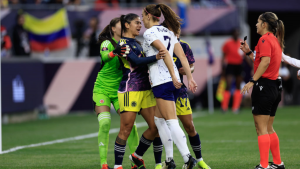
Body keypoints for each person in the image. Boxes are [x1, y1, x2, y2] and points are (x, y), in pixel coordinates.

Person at [133, 4, 197, 169]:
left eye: (142, 15)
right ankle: (169, 160)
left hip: (163, 81)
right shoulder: (168, 31)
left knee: (171, 121)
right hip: (172, 81)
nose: (141, 20)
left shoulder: (150, 32)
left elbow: (164, 52)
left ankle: (187, 157)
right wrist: (189, 78)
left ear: (148, 16)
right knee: (159, 120)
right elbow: (181, 55)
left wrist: (174, 76)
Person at [113, 13, 166, 169]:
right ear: (127, 25)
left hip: (146, 90)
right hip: (131, 90)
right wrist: (156, 57)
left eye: (140, 22)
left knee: (155, 127)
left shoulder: (137, 43)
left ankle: (136, 156)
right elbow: (135, 62)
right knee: (126, 128)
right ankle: (117, 166)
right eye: (136, 22)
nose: (139, 25)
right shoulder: (122, 44)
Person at [240, 12, 286, 169]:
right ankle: (278, 163)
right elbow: (261, 61)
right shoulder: (275, 40)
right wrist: (248, 52)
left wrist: (252, 81)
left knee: (261, 129)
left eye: (258, 22)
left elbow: (265, 63)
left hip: (264, 86)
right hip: (274, 86)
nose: (256, 24)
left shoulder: (264, 39)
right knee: (268, 128)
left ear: (264, 24)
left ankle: (264, 165)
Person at [93, 17, 139, 169]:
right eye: (120, 24)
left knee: (130, 124)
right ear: (113, 28)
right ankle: (103, 163)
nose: (124, 26)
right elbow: (105, 57)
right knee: (105, 122)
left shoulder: (128, 43)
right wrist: (114, 52)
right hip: (102, 89)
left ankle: (136, 160)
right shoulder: (107, 43)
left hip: (120, 90)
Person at [221, 29, 244, 113]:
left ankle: (236, 107)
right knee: (228, 85)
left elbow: (245, 55)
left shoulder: (241, 43)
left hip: (239, 65)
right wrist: (222, 68)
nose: (236, 34)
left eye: (237, 33)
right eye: (235, 33)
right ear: (232, 34)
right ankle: (224, 107)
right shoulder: (227, 43)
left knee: (238, 86)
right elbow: (223, 56)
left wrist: (252, 65)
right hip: (230, 65)